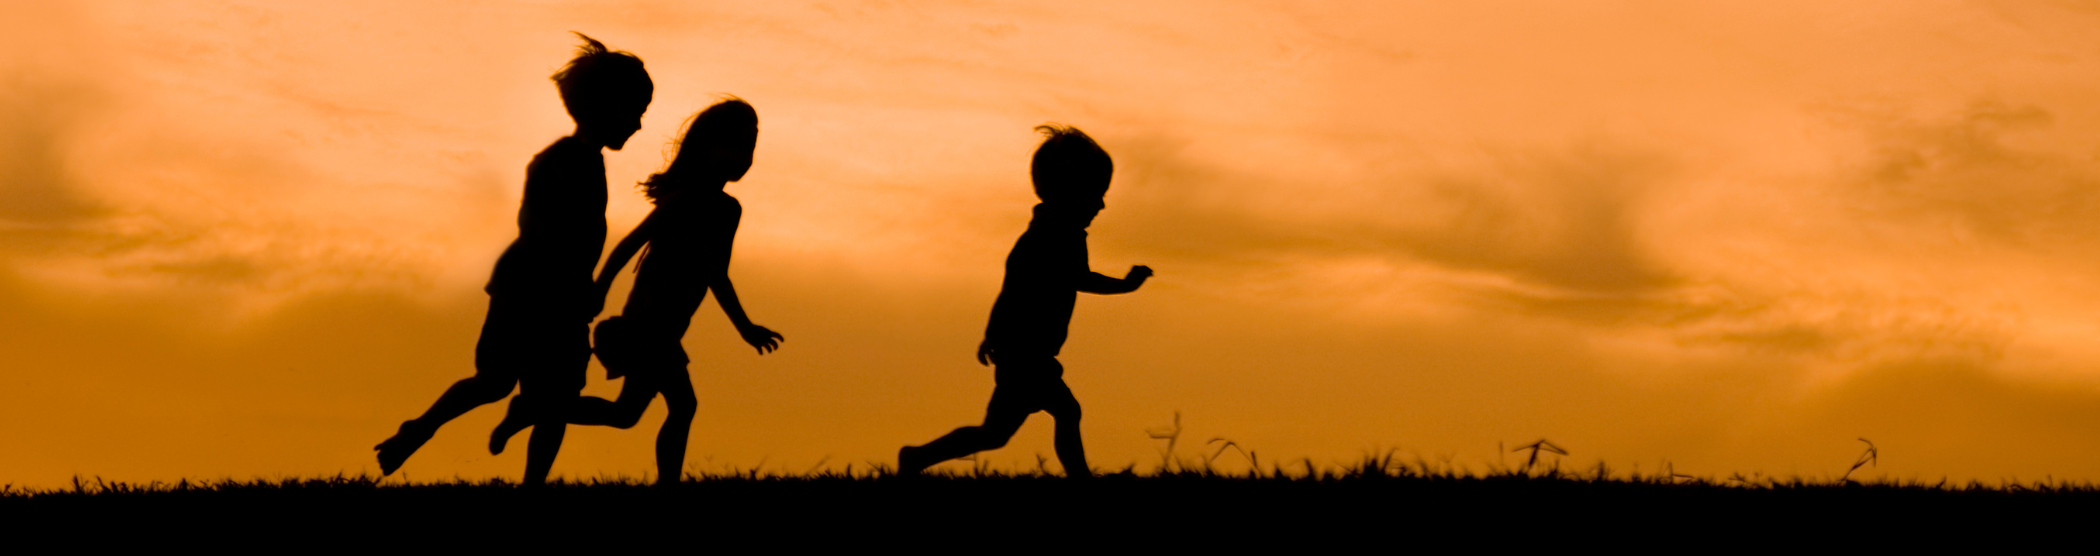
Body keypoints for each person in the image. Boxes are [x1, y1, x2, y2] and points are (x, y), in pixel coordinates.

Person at [374, 33, 652, 484]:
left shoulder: (588, 161)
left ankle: (532, 483)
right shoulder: (561, 160)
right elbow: (536, 224)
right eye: (632, 111)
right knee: (497, 382)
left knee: (556, 398)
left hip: (558, 292)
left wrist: (581, 282)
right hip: (529, 291)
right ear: (600, 106)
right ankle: (419, 429)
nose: (637, 124)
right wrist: (570, 278)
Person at [490, 98, 782, 486]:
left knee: (625, 414)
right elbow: (631, 243)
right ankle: (667, 485)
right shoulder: (685, 198)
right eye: (734, 145)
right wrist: (601, 287)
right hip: (647, 324)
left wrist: (745, 326)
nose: (742, 158)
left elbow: (717, 273)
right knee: (683, 405)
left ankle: (533, 409)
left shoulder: (729, 210)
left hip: (670, 327)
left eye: (749, 147)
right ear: (706, 147)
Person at [898, 124, 1151, 478]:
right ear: (1064, 192)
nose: (1101, 204)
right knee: (1065, 411)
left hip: (1025, 352)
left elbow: (1012, 290)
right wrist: (1125, 285)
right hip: (1025, 354)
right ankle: (1080, 478)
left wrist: (992, 334)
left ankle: (917, 457)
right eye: (1093, 193)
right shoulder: (1051, 238)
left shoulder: (1058, 235)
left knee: (995, 434)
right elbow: (1071, 280)